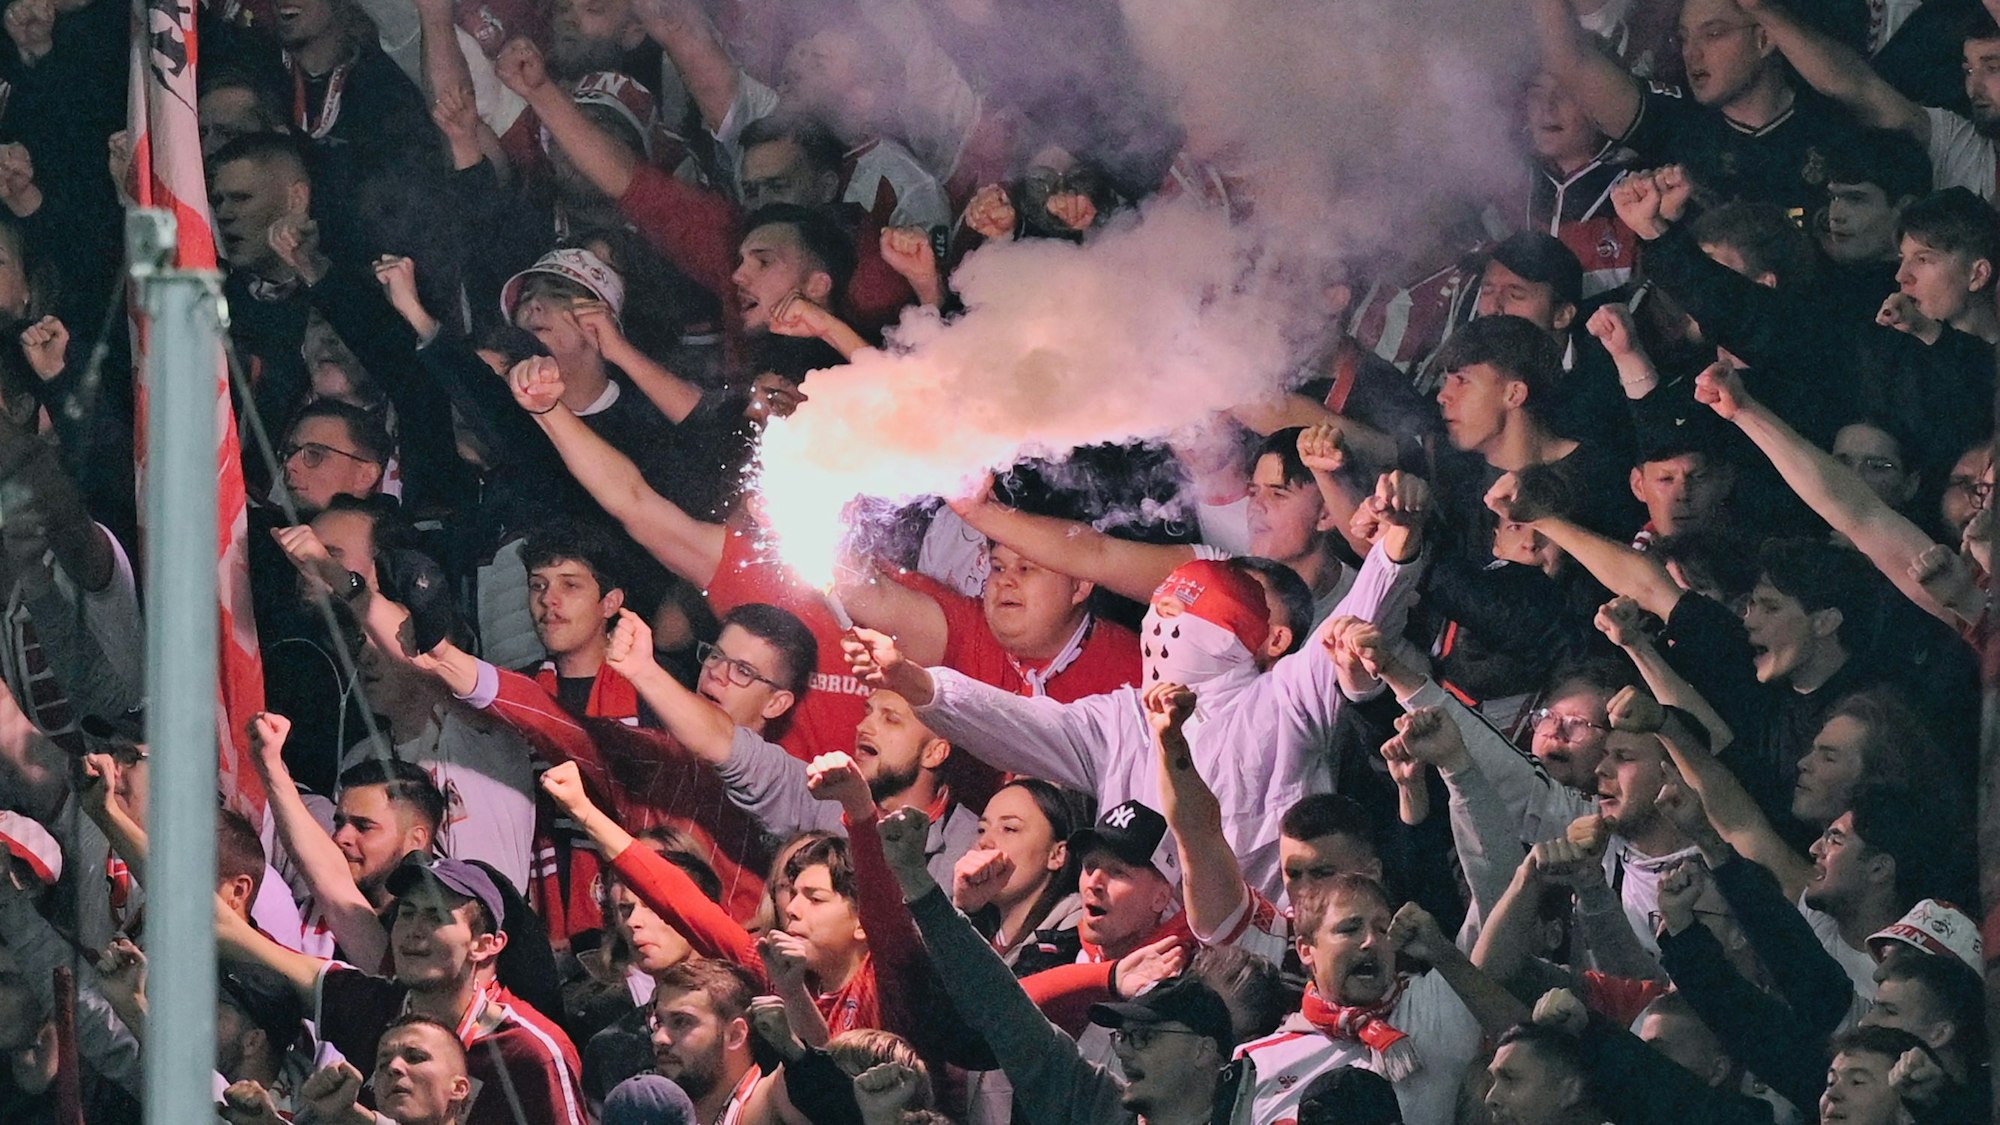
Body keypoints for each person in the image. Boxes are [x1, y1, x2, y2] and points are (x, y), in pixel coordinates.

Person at [216, 856, 587, 1125]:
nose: (413, 929)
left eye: (436, 916)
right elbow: (228, 930)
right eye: (407, 913)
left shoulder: (532, 1051)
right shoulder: (370, 1003)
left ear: (486, 944)